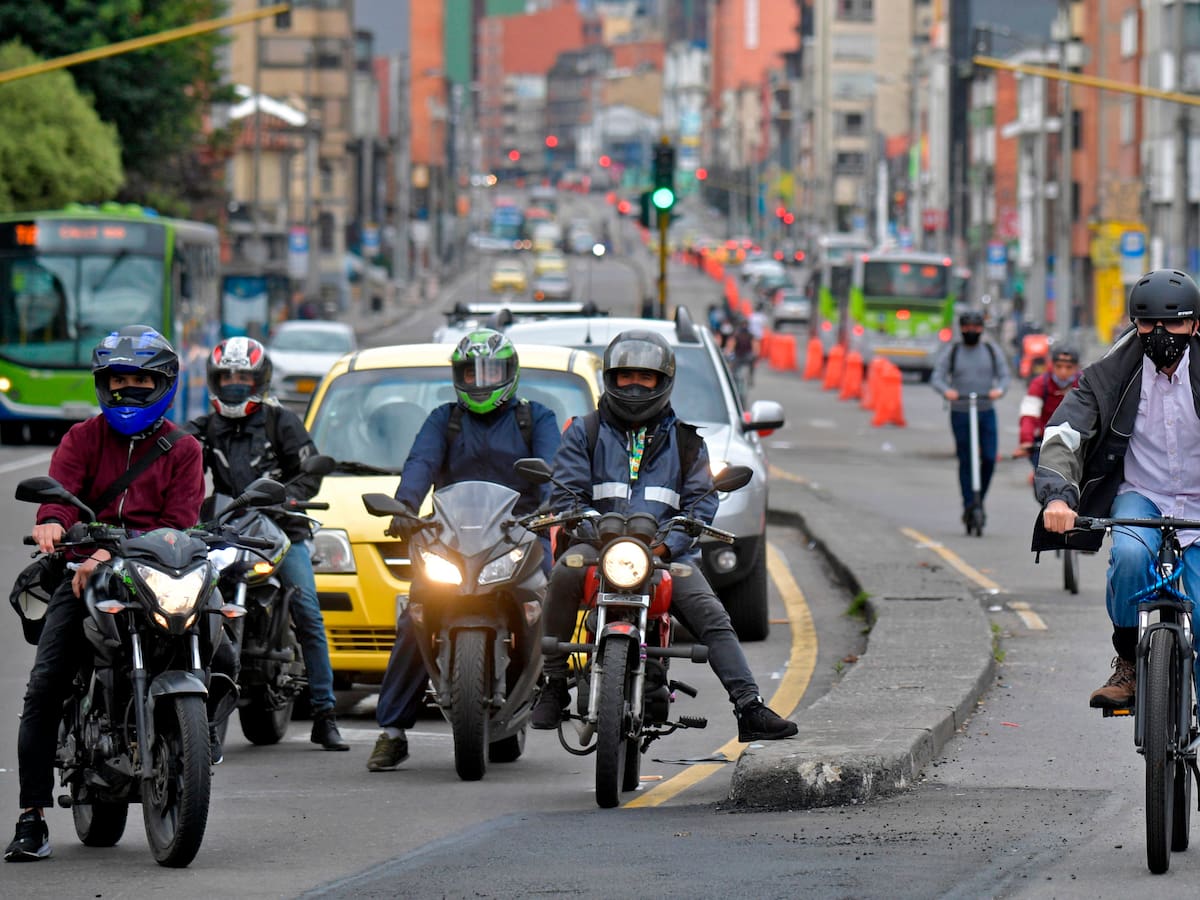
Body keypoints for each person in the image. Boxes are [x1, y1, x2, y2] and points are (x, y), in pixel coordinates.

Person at [530, 329, 798, 742]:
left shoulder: (689, 442)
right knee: (563, 573)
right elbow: (564, 490)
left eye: (646, 377)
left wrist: (669, 543)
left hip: (663, 552)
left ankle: (750, 707)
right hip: (593, 547)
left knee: (712, 613)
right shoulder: (583, 431)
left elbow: (702, 501)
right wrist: (584, 524)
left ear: (664, 381)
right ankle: (551, 685)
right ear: (610, 378)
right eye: (625, 376)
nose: (635, 385)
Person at [5, 326, 206, 863]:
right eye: (119, 380)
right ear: (103, 384)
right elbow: (62, 498)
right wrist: (53, 524)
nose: (129, 389)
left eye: (141, 379)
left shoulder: (184, 450)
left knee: (220, 633)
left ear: (163, 383)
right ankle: (32, 817)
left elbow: (180, 521)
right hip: (82, 572)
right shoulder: (82, 439)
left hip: (155, 572)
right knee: (46, 683)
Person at [367, 329, 561, 771]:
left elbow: (553, 471)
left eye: (490, 371)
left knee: (549, 608)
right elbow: (420, 464)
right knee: (414, 616)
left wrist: (552, 507)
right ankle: (393, 731)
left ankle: (559, 688)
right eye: (470, 372)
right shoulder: (444, 419)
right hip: (452, 540)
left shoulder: (537, 418)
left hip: (521, 536)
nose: (480, 381)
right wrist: (403, 508)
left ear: (510, 373)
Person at [1037, 268, 1200, 709]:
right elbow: (1063, 435)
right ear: (1135, 323)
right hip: (1142, 496)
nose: (1161, 333)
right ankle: (1129, 662)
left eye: (1175, 322)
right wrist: (1056, 495)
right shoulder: (1110, 374)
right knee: (1128, 556)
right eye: (1148, 323)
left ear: (1196, 325)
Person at [189, 336, 348, 755]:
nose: (236, 383)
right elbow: (178, 465)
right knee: (186, 601)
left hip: (281, 528)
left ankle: (325, 715)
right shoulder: (205, 428)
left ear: (259, 379)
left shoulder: (282, 422)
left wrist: (288, 496)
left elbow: (309, 470)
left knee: (308, 609)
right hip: (228, 532)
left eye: (244, 376)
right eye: (228, 376)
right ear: (215, 380)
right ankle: (191, 712)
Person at [930, 309, 1011, 531]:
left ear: (982, 329)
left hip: (985, 409)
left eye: (976, 327)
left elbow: (1005, 376)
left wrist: (999, 390)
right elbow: (937, 377)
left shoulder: (991, 350)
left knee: (989, 458)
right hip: (961, 411)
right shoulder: (953, 351)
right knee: (966, 460)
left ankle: (978, 500)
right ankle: (969, 504)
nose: (972, 331)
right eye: (967, 327)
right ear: (961, 328)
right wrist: (947, 391)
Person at [1014, 345, 1081, 470]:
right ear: (1052, 365)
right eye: (1059, 367)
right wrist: (1026, 441)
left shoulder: (1084, 384)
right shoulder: (1040, 383)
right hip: (1045, 440)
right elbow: (1029, 414)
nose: (1063, 372)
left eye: (1069, 367)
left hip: (1076, 440)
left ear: (1076, 367)